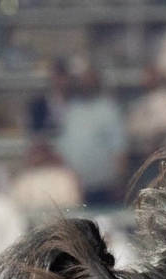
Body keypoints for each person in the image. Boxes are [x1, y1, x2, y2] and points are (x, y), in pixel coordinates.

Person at [55, 69, 129, 204]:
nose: (85, 84)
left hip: (105, 186)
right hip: (76, 186)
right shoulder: (72, 110)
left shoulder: (108, 109)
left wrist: (120, 181)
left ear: (97, 82)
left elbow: (119, 148)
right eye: (83, 81)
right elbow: (64, 146)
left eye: (89, 80)